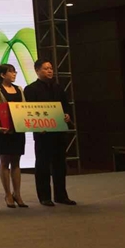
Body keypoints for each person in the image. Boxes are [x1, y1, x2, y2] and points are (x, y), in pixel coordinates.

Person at [24, 59, 76, 206]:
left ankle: (61, 195)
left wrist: (67, 115)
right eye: (46, 68)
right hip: (42, 133)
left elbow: (66, 106)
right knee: (43, 165)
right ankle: (44, 196)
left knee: (60, 165)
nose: (50, 71)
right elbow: (29, 111)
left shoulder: (58, 87)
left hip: (59, 132)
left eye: (51, 68)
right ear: (37, 71)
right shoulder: (31, 89)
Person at [0, 64, 28, 208]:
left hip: (18, 128)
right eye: (11, 72)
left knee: (16, 162)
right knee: (5, 161)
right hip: (4, 129)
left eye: (15, 72)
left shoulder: (19, 89)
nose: (14, 74)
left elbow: (24, 107)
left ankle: (17, 193)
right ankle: (7, 194)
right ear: (2, 75)